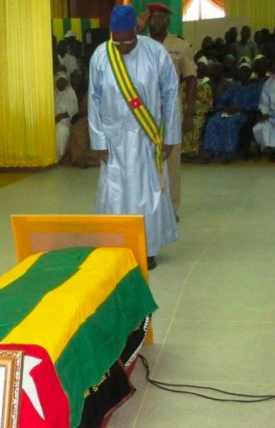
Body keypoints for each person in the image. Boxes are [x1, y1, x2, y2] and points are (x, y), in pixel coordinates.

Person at [89, 5, 180, 270]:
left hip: (146, 138)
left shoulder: (155, 53)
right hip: (113, 139)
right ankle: (114, 246)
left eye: (127, 42)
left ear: (136, 32)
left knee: (147, 194)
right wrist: (99, 141)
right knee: (114, 194)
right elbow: (94, 99)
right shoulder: (101, 55)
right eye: (116, 42)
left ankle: (147, 249)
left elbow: (171, 93)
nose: (122, 47)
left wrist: (170, 136)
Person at [146, 2, 196, 220]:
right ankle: (151, 205)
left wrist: (190, 113)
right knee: (147, 159)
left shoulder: (180, 46)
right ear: (148, 20)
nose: (157, 21)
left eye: (161, 17)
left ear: (168, 20)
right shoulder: (140, 44)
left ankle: (171, 207)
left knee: (172, 160)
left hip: (171, 109)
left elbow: (191, 79)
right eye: (153, 17)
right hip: (145, 110)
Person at [202, 60, 263, 163]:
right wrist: (224, 108)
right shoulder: (234, 88)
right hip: (229, 112)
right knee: (213, 121)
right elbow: (223, 100)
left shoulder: (255, 88)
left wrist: (241, 109)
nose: (243, 74)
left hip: (243, 114)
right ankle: (210, 152)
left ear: (250, 73)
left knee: (230, 124)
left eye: (246, 72)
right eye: (241, 72)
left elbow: (257, 104)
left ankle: (228, 153)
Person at [180, 57, 212, 161]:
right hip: (184, 112)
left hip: (199, 113)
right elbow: (180, 99)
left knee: (195, 123)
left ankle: (192, 152)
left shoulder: (206, 86)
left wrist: (196, 112)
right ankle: (182, 152)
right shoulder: (184, 85)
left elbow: (208, 103)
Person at [54, 72, 78, 161]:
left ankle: (60, 155)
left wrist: (61, 116)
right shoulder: (53, 93)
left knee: (60, 129)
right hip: (52, 120)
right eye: (59, 81)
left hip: (65, 121)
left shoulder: (70, 93)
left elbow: (74, 109)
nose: (61, 84)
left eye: (63, 82)